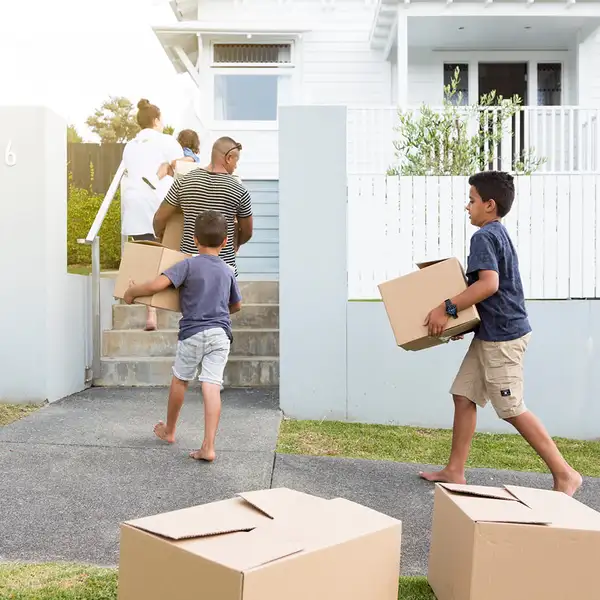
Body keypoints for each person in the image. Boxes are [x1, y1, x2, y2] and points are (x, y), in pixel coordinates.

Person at [420, 170, 582, 497]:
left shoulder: (482, 237)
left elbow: (489, 284)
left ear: (489, 205)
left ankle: (565, 475)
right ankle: (455, 470)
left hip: (504, 338)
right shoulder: (498, 234)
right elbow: (495, 291)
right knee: (464, 395)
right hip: (492, 332)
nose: (467, 206)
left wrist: (446, 308)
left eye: (472, 200)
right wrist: (466, 323)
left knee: (511, 407)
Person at [123, 210, 241, 462]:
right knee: (211, 385)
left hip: (193, 332)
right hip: (220, 334)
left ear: (195, 240)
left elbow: (157, 285)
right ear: (225, 242)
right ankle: (208, 446)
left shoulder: (187, 265)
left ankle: (170, 430)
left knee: (180, 380)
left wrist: (132, 291)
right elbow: (236, 305)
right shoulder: (228, 271)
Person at [121, 99, 184, 331]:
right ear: (156, 120)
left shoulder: (129, 146)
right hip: (158, 203)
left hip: (134, 201)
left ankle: (151, 313)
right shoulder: (165, 141)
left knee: (146, 256)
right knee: (165, 255)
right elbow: (183, 165)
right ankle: (166, 303)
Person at [153, 137, 253, 276]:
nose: (235, 167)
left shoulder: (184, 181)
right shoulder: (239, 190)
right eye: (236, 162)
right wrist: (234, 245)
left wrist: (161, 235)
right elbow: (247, 231)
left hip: (189, 268)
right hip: (224, 269)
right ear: (229, 158)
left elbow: (159, 218)